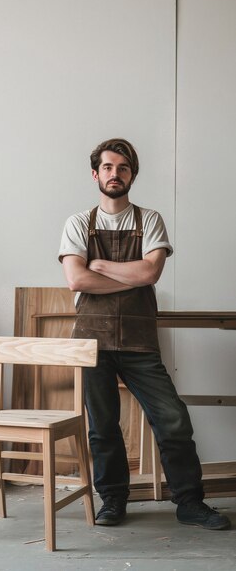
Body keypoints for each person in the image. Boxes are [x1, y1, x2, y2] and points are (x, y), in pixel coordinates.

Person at [59, 137, 231, 530]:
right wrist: (126, 274)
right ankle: (113, 502)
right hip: (92, 342)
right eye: (107, 167)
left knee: (173, 419)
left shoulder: (149, 220)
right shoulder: (77, 223)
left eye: (122, 167)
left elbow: (150, 273)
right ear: (95, 174)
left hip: (139, 341)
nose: (114, 174)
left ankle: (189, 503)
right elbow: (75, 279)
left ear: (132, 174)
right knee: (102, 429)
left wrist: (101, 266)